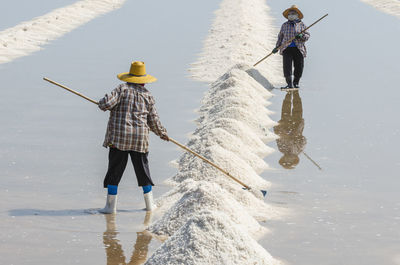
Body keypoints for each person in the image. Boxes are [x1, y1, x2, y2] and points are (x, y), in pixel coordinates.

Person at [98, 61, 169, 214]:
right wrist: (162, 133)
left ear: (129, 77)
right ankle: (150, 205)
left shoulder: (121, 89)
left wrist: (101, 102)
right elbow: (153, 121)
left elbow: (105, 104)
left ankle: (110, 207)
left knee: (114, 171)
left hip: (119, 139)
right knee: (143, 171)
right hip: (139, 139)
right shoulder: (148, 96)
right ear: (143, 80)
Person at [273, 5, 310, 89]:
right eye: (290, 14)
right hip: (286, 48)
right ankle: (289, 84)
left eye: (293, 13)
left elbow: (307, 36)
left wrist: (301, 36)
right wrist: (277, 47)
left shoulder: (302, 25)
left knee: (299, 66)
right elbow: (280, 37)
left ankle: (296, 83)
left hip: (299, 48)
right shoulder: (284, 25)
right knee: (287, 67)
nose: (291, 15)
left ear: (297, 15)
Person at [273, 90, 307, 169]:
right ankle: (295, 93)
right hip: (297, 124)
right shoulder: (299, 149)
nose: (288, 159)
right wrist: (296, 137)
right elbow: (304, 139)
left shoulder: (282, 149)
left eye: (286, 160)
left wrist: (286, 135)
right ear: (294, 159)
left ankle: (290, 93)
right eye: (289, 161)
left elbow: (279, 137)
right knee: (297, 107)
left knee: (286, 107)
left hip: (285, 124)